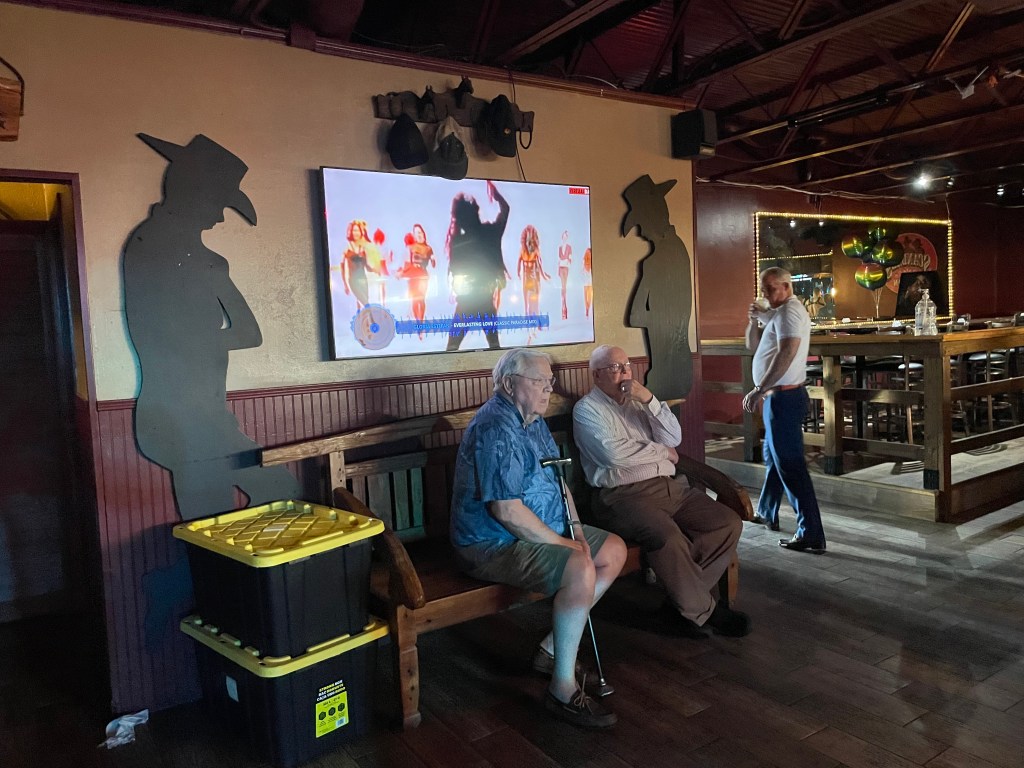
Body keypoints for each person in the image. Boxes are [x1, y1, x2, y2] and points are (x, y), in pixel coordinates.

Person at [450, 348, 626, 728]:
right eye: (539, 381)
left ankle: (551, 650)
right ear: (509, 384)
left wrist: (576, 529)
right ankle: (562, 689)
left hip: (541, 528)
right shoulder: (495, 428)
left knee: (612, 550)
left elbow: (559, 481)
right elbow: (506, 511)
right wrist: (566, 545)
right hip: (491, 543)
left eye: (550, 381)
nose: (549, 389)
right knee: (579, 567)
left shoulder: (533, 421)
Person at [572, 345, 750, 639]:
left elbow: (673, 438)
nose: (624, 373)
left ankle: (681, 606)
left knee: (727, 523)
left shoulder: (639, 403)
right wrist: (662, 453)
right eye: (614, 368)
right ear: (596, 375)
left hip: (670, 487)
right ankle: (704, 611)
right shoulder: (587, 410)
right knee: (668, 537)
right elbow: (613, 455)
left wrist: (649, 399)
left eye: (626, 366)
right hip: (621, 495)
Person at [743, 267, 827, 553]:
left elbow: (787, 351)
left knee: (791, 466)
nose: (764, 293)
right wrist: (754, 319)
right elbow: (752, 345)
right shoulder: (778, 313)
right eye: (763, 288)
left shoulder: (790, 312)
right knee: (774, 459)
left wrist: (759, 388)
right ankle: (768, 511)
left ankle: (810, 533)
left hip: (784, 396)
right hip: (778, 396)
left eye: (769, 288)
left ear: (786, 287)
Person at [445, 180, 510, 351]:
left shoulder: (458, 241)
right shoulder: (489, 233)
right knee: (493, 347)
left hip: (469, 302)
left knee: (452, 348)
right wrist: (496, 195)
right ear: (476, 211)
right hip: (481, 300)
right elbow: (505, 209)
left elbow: (454, 270)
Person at [397, 223, 435, 337]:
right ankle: (419, 325)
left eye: (420, 232)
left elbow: (433, 263)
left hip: (422, 276)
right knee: (414, 301)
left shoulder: (428, 248)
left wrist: (433, 260)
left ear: (423, 233)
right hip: (412, 277)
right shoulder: (411, 247)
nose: (419, 235)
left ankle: (421, 324)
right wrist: (401, 272)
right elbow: (406, 263)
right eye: (416, 233)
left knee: (421, 300)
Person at [517, 224, 550, 342]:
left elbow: (540, 265)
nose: (528, 243)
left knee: (533, 302)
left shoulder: (535, 250)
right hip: (528, 278)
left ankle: (535, 324)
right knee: (528, 303)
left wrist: (544, 275)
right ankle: (531, 325)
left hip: (533, 277)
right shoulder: (524, 251)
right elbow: (519, 263)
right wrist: (518, 273)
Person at [558, 230, 572, 320]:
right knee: (562, 287)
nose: (564, 238)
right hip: (561, 268)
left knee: (564, 287)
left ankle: (564, 308)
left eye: (566, 237)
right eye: (563, 237)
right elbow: (559, 259)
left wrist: (567, 262)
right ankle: (563, 306)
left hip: (565, 268)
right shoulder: (560, 248)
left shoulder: (569, 247)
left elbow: (570, 259)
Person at [582, 247, 593, 318]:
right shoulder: (587, 259)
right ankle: (587, 309)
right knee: (588, 295)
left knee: (587, 295)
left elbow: (582, 269)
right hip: (587, 279)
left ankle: (587, 309)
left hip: (587, 279)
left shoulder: (585, 260)